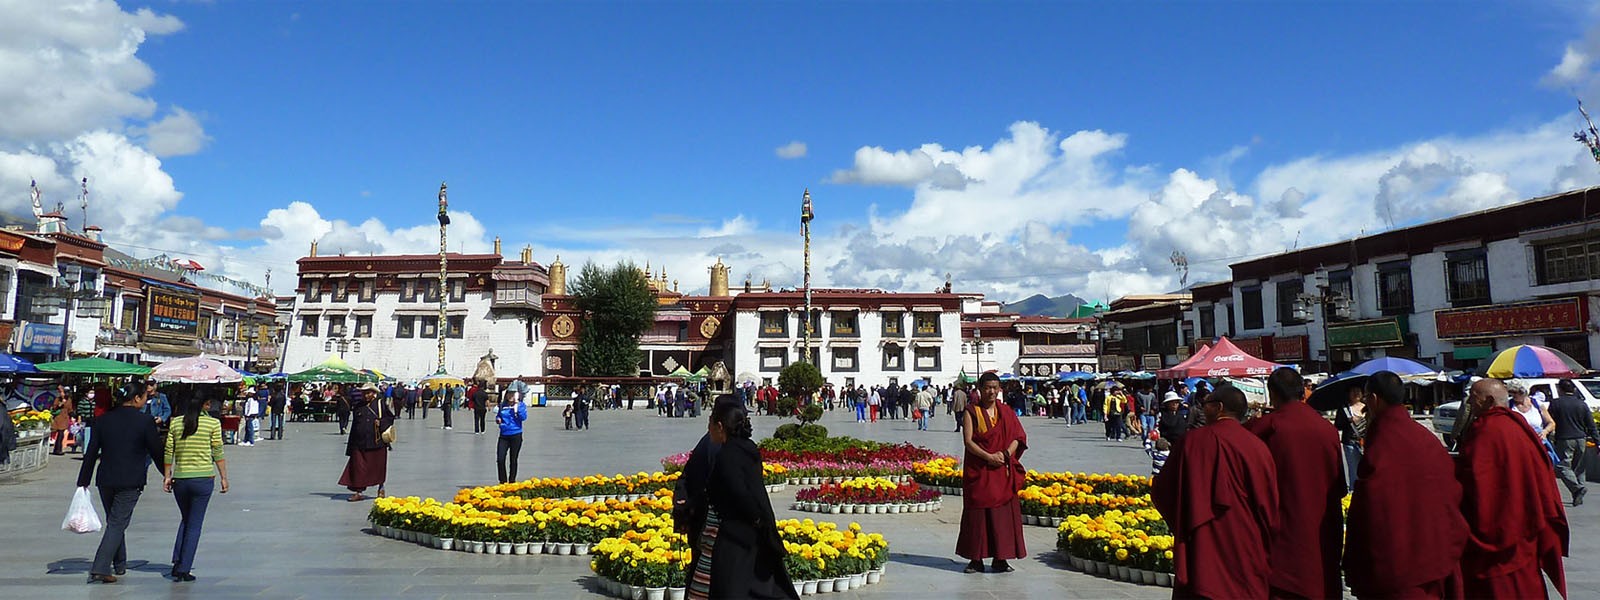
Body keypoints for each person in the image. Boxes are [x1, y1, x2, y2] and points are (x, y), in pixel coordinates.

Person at [1343, 371, 1468, 599]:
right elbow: (1451, 492)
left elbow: (1373, 511)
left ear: (1373, 400)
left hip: (1400, 564)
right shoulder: (1425, 437)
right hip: (1436, 553)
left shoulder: (1383, 444)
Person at [1152, 384, 1278, 599]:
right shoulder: (1257, 447)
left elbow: (1163, 491)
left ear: (1218, 407)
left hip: (1204, 544)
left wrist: (1184, 521)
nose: (1202, 409)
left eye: (1206, 404)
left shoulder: (1193, 441)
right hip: (1247, 542)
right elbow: (1269, 503)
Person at [1455, 378, 1568, 599]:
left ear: (1488, 401)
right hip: (1526, 527)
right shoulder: (1519, 425)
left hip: (1499, 532)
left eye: (1473, 398)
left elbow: (1478, 481)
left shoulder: (1486, 431)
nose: (1470, 403)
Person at [1245, 368, 1344, 600]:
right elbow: (1339, 486)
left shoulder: (1266, 428)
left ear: (1272, 395)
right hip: (1322, 532)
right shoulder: (1327, 429)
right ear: (1303, 392)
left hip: (1283, 537)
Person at [685, 402, 798, 600]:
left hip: (731, 536)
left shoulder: (727, 455)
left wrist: (753, 517)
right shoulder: (748, 447)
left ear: (720, 426)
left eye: (710, 423)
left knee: (718, 588)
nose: (708, 429)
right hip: (750, 534)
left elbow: (739, 492)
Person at [76, 381, 165, 584]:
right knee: (117, 523)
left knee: (115, 521)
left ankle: (120, 563)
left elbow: (91, 452)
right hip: (130, 479)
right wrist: (166, 474)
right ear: (136, 399)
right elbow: (156, 451)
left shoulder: (103, 420)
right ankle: (100, 567)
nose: (145, 400)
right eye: (144, 397)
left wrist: (83, 480)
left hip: (105, 478)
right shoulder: (145, 421)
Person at [955, 372, 1028, 574]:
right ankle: (975, 559)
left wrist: (1005, 455)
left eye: (995, 387)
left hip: (1001, 471)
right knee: (977, 515)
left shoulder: (1005, 411)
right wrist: (988, 457)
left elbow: (1018, 436)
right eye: (988, 387)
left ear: (1000, 389)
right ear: (980, 389)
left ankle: (1000, 558)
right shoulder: (972, 411)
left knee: (1002, 516)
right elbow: (968, 441)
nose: (992, 392)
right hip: (980, 471)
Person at [162, 390, 227, 582]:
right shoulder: (213, 423)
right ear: (206, 404)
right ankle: (184, 568)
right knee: (194, 524)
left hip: (180, 480)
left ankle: (177, 561)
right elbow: (218, 451)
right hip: (203, 479)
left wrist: (167, 475)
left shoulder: (176, 422)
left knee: (187, 519)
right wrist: (224, 477)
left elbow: (168, 450)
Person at [338, 383, 394, 502]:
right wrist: (351, 446)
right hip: (360, 443)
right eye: (364, 393)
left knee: (378, 467)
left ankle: (381, 488)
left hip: (376, 442)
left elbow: (390, 418)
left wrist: (382, 423)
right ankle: (358, 492)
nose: (365, 395)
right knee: (358, 468)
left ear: (374, 393)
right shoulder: (359, 405)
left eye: (368, 392)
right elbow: (355, 425)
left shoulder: (380, 404)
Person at [1548, 379, 1599, 505]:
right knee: (1579, 467)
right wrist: (1597, 441)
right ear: (1574, 389)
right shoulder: (1581, 404)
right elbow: (1591, 424)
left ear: (1560, 389)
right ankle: (1578, 493)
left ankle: (1577, 489)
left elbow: (1549, 421)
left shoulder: (1556, 403)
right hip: (1581, 438)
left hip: (1565, 439)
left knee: (1562, 466)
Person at [1333, 380, 1367, 491]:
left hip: (1366, 443)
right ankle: (1353, 492)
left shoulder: (1367, 407)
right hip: (1350, 443)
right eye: (1353, 391)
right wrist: (1348, 421)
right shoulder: (1344, 409)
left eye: (1358, 391)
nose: (1356, 393)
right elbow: (1338, 425)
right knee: (1353, 470)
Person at [494, 394, 527, 483]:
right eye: (509, 394)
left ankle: (512, 480)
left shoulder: (521, 405)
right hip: (504, 434)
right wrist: (498, 419)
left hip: (516, 434)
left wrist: (517, 407)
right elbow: (498, 415)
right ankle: (502, 481)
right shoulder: (502, 405)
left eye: (513, 394)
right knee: (500, 459)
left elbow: (523, 417)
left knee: (513, 459)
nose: (511, 396)